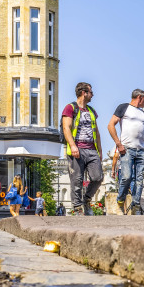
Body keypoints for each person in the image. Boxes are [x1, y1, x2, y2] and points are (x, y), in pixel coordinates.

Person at [107, 88, 144, 215]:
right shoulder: (123, 107)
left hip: (142, 150)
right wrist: (118, 144)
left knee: (139, 180)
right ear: (139, 97)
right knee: (126, 177)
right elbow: (111, 125)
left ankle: (136, 205)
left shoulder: (143, 113)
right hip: (127, 149)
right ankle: (120, 201)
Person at [62, 82, 103, 215]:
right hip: (77, 149)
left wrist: (100, 151)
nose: (93, 95)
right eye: (91, 92)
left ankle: (86, 199)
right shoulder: (70, 108)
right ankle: (78, 207)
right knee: (77, 180)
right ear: (84, 93)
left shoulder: (91, 111)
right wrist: (73, 146)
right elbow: (66, 128)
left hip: (91, 150)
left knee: (98, 177)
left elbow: (96, 131)